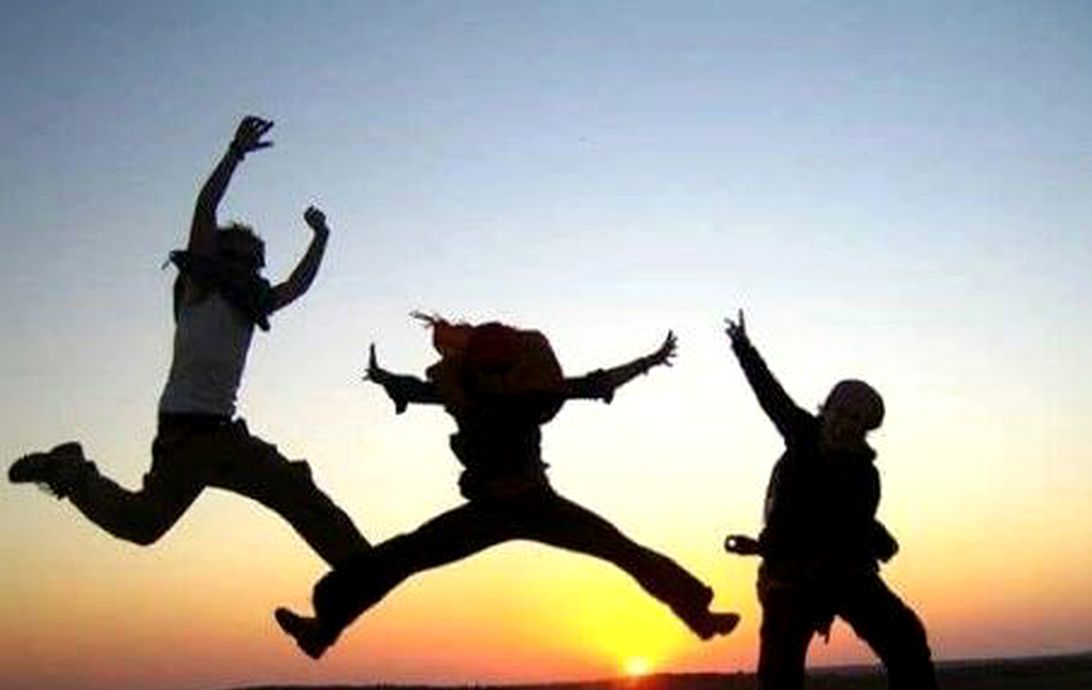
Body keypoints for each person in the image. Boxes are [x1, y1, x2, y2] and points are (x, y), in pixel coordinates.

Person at [8, 116, 369, 567]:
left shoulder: (251, 304)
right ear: (221, 258)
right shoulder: (200, 288)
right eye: (245, 261)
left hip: (224, 435)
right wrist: (234, 153)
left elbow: (295, 286)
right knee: (143, 525)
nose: (254, 273)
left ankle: (362, 568)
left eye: (258, 266)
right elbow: (205, 209)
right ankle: (68, 471)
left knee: (296, 490)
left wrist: (322, 238)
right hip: (184, 437)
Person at [274, 313, 739, 659]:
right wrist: (383, 379)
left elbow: (594, 384)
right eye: (488, 370)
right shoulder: (461, 390)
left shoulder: (531, 390)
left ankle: (698, 615)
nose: (495, 377)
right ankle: (321, 631)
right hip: (486, 512)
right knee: (403, 555)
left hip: (539, 504)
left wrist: (648, 362)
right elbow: (416, 390)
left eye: (501, 369)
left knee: (620, 548)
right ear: (476, 367)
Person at [723, 310, 941, 690]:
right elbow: (771, 396)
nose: (846, 423)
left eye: (858, 420)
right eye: (842, 412)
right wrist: (744, 349)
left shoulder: (866, 473)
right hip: (789, 578)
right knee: (779, 671)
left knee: (907, 640)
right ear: (827, 409)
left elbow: (845, 523)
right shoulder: (801, 434)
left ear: (866, 427)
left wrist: (873, 539)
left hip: (844, 574)